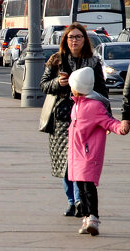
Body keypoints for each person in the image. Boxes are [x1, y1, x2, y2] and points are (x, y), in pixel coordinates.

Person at [41, 23, 109, 219]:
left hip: (87, 119)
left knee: (82, 162)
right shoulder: (56, 61)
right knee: (66, 164)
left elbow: (102, 90)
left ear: (84, 40)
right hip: (62, 119)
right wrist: (57, 83)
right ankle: (73, 201)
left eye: (78, 37)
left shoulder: (93, 62)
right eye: (71, 37)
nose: (74, 40)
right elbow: (43, 85)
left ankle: (80, 202)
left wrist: (107, 120)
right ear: (65, 40)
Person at [66, 65, 129, 235]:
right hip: (75, 153)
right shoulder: (76, 105)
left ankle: (93, 216)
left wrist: (121, 127)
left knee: (88, 187)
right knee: (79, 186)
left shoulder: (94, 106)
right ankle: (86, 218)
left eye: (72, 85)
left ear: (78, 87)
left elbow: (108, 122)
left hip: (88, 153)